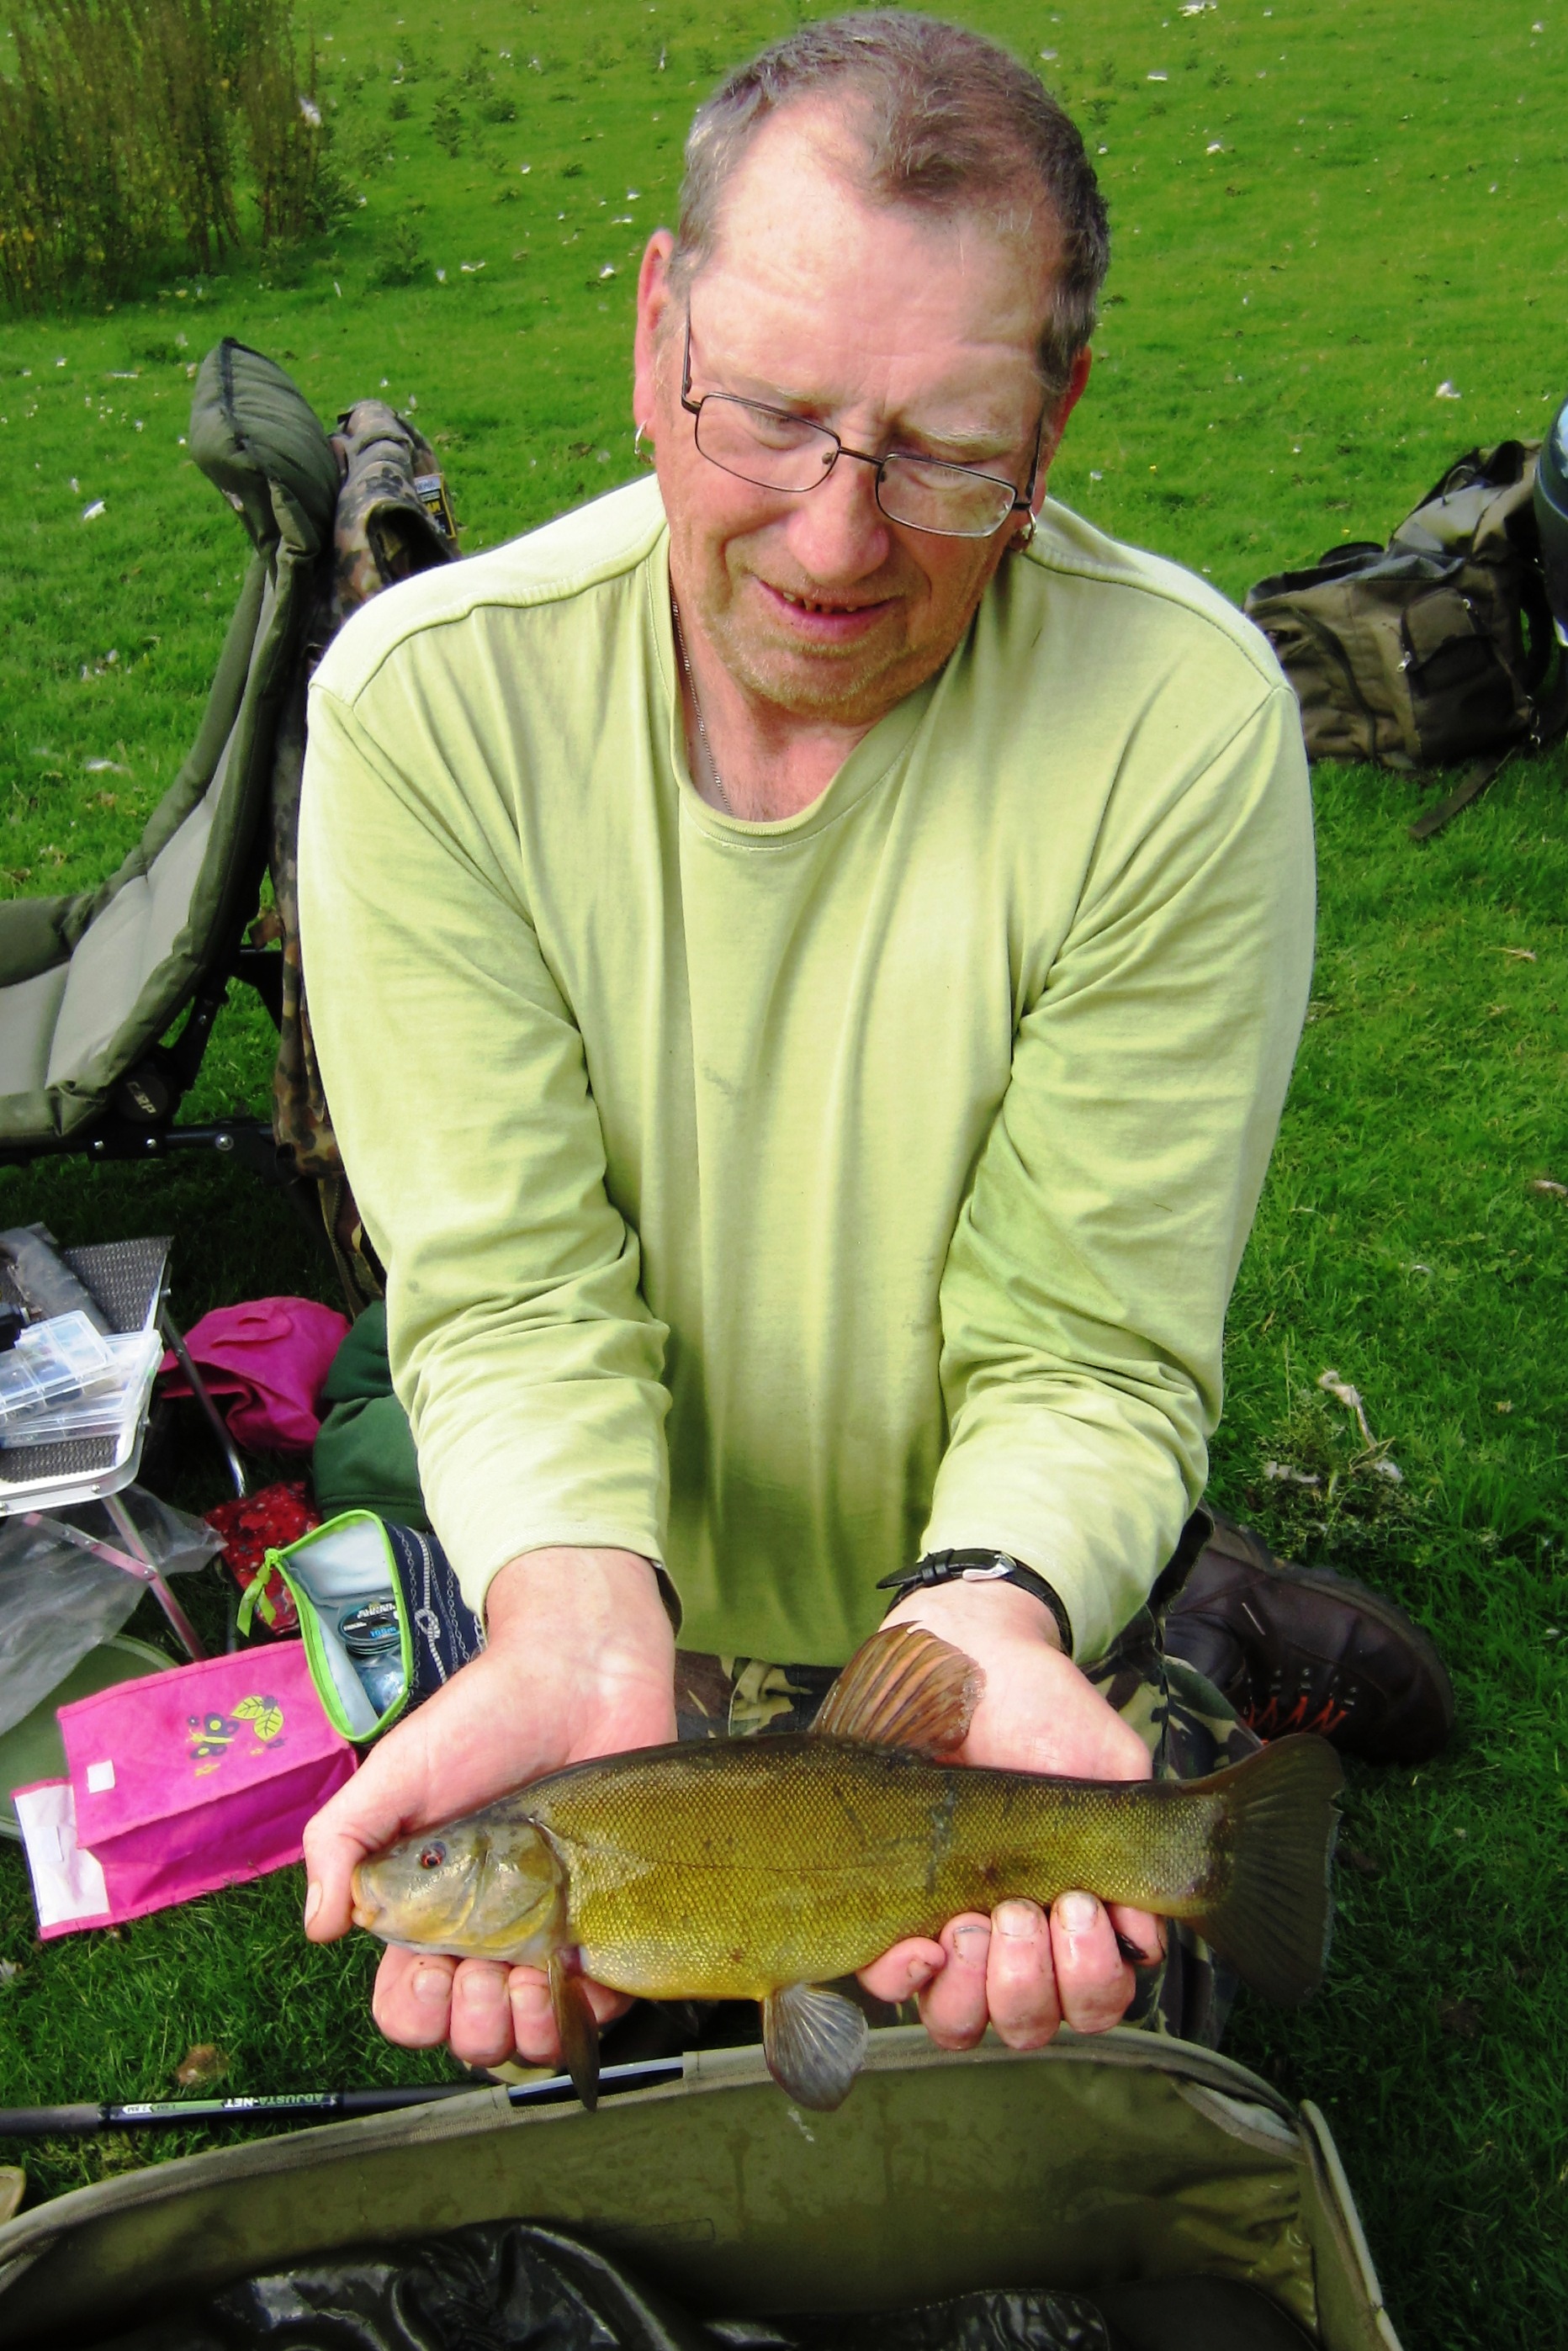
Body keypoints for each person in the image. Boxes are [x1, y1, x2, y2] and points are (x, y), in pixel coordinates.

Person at [295, 12, 1444, 2077]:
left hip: (981, 1590)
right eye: (765, 416)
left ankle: (1173, 1606)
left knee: (1091, 2051)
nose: (834, 541)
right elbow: (509, 1291)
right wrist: (565, 1622)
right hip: (616, 1597)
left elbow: (1082, 1338)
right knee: (625, 2054)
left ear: (1063, 410)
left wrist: (996, 1608)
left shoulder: (1175, 724)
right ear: (656, 327)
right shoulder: (424, 709)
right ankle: (1216, 1612)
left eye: (941, 453)